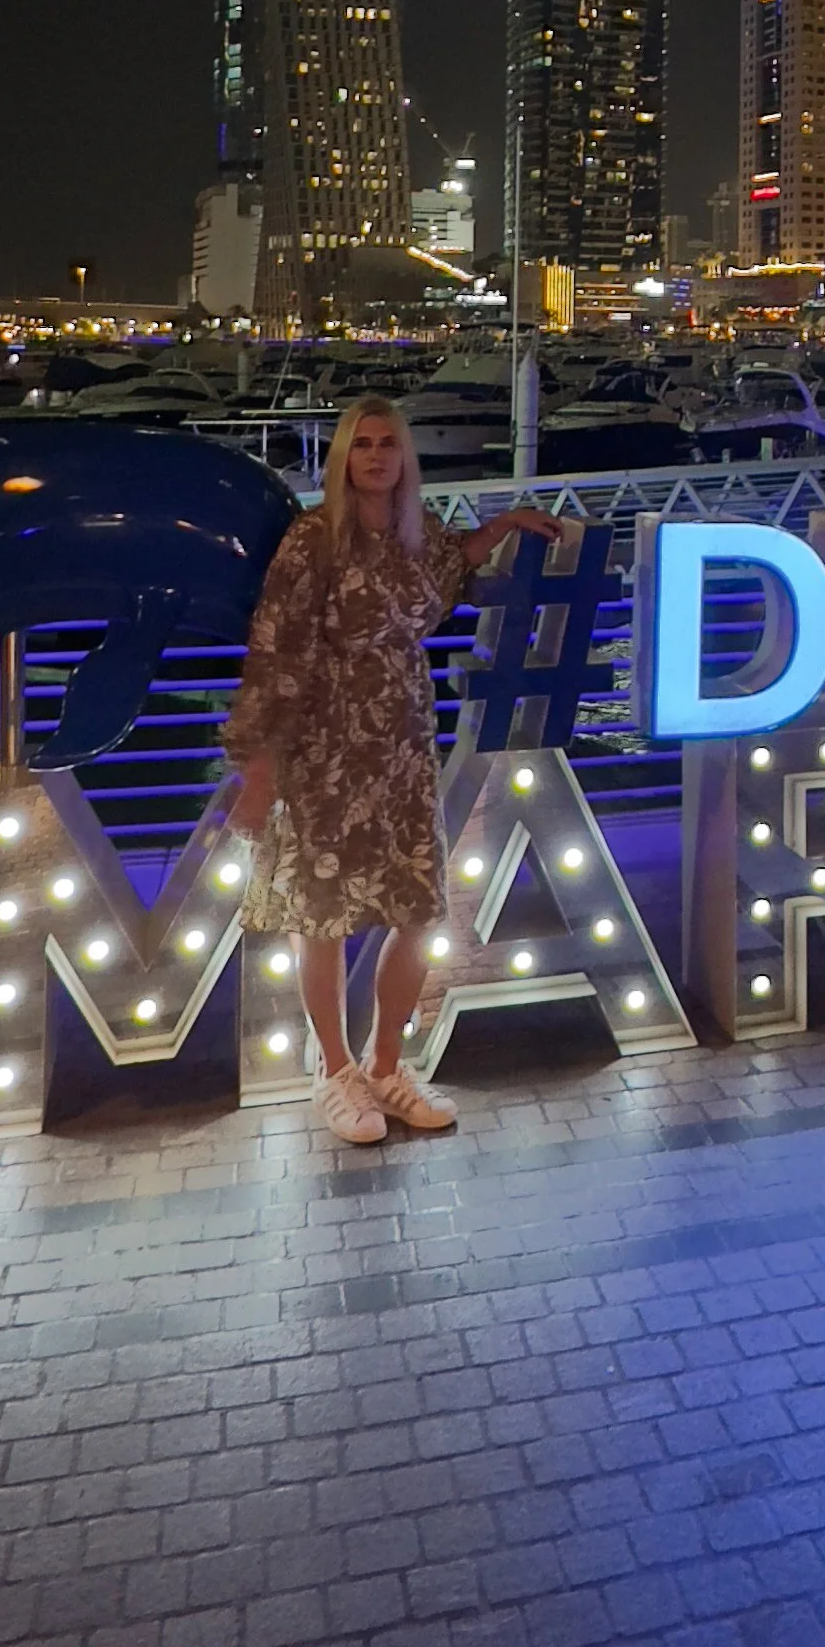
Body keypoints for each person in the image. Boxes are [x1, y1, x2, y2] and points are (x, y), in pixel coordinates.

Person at [225, 401, 556, 1144]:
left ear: (405, 457)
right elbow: (277, 646)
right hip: (327, 746)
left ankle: (386, 1065)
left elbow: (451, 564)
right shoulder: (313, 540)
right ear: (343, 458)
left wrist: (502, 529)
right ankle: (336, 1072)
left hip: (403, 742)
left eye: (387, 445)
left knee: (415, 907)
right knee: (326, 914)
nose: (375, 457)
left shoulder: (417, 532)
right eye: (361, 446)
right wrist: (261, 763)